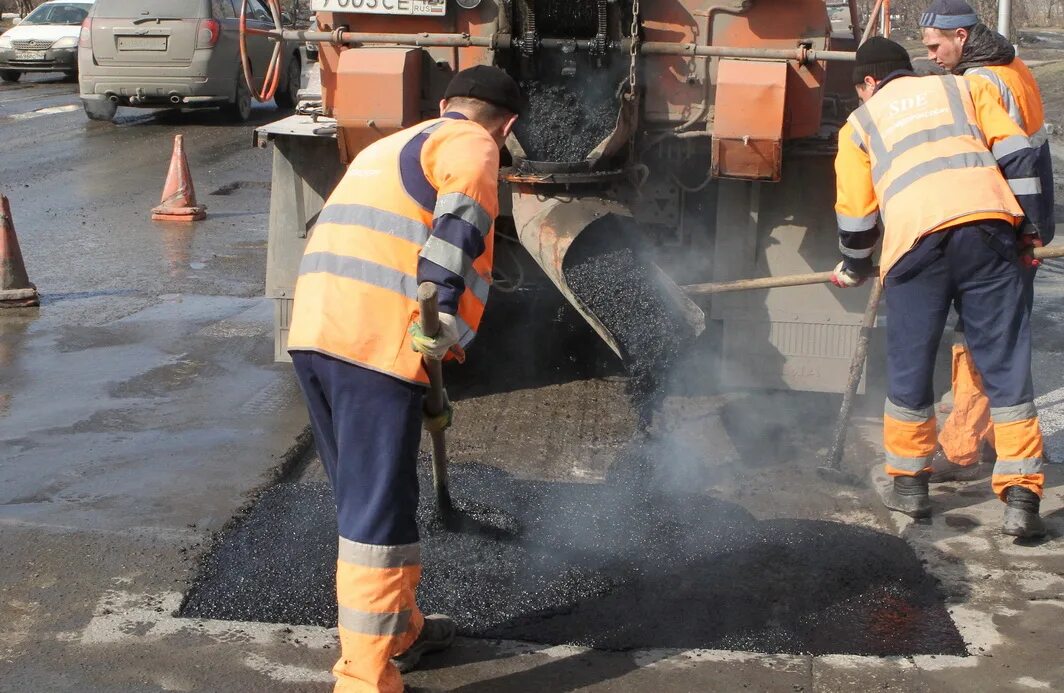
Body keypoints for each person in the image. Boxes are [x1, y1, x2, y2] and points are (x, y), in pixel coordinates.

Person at [286, 65, 522, 692]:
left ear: (444, 102)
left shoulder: (392, 144)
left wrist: (425, 376)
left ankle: (400, 631)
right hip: (372, 344)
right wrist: (441, 307)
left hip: (318, 332)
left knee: (366, 494)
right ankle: (366, 679)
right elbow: (458, 226)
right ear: (510, 125)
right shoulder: (474, 143)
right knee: (377, 514)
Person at [831, 38, 1051, 538]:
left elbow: (857, 214)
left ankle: (909, 486)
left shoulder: (859, 126)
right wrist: (1030, 230)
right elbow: (1019, 156)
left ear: (868, 83)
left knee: (911, 361)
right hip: (987, 231)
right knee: (1004, 361)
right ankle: (1021, 498)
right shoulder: (962, 89)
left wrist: (854, 266)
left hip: (915, 245)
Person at [919, 0, 1056, 482]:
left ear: (960, 36)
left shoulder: (978, 83)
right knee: (1005, 337)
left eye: (936, 46)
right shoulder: (1013, 66)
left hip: (1001, 225)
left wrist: (1021, 229)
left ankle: (960, 448)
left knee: (979, 339)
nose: (932, 56)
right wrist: (1036, 227)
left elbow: (1007, 158)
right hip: (1024, 224)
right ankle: (1003, 437)